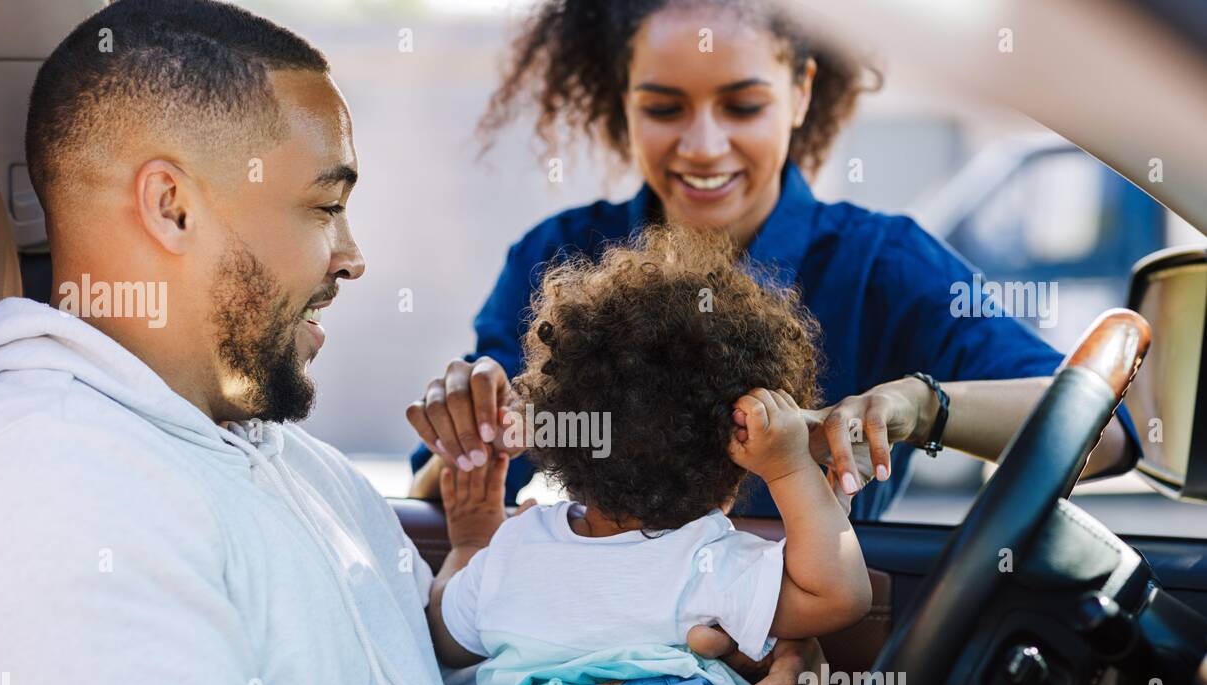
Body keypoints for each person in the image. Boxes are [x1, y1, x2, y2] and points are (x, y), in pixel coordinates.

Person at [0, 0, 520, 685]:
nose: (352, 255)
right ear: (172, 208)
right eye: (323, 206)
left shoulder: (298, 465)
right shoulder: (40, 478)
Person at [406, 0, 1138, 517]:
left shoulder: (881, 265)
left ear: (800, 93)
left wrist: (919, 405)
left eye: (742, 106)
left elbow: (1101, 434)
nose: (702, 145)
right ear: (620, 101)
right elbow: (445, 502)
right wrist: (480, 427)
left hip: (813, 653)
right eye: (663, 109)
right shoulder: (555, 256)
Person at [421, 227, 1013, 685]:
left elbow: (445, 634)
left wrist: (474, 533)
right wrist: (792, 471)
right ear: (735, 470)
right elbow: (839, 594)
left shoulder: (517, 548)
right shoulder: (705, 558)